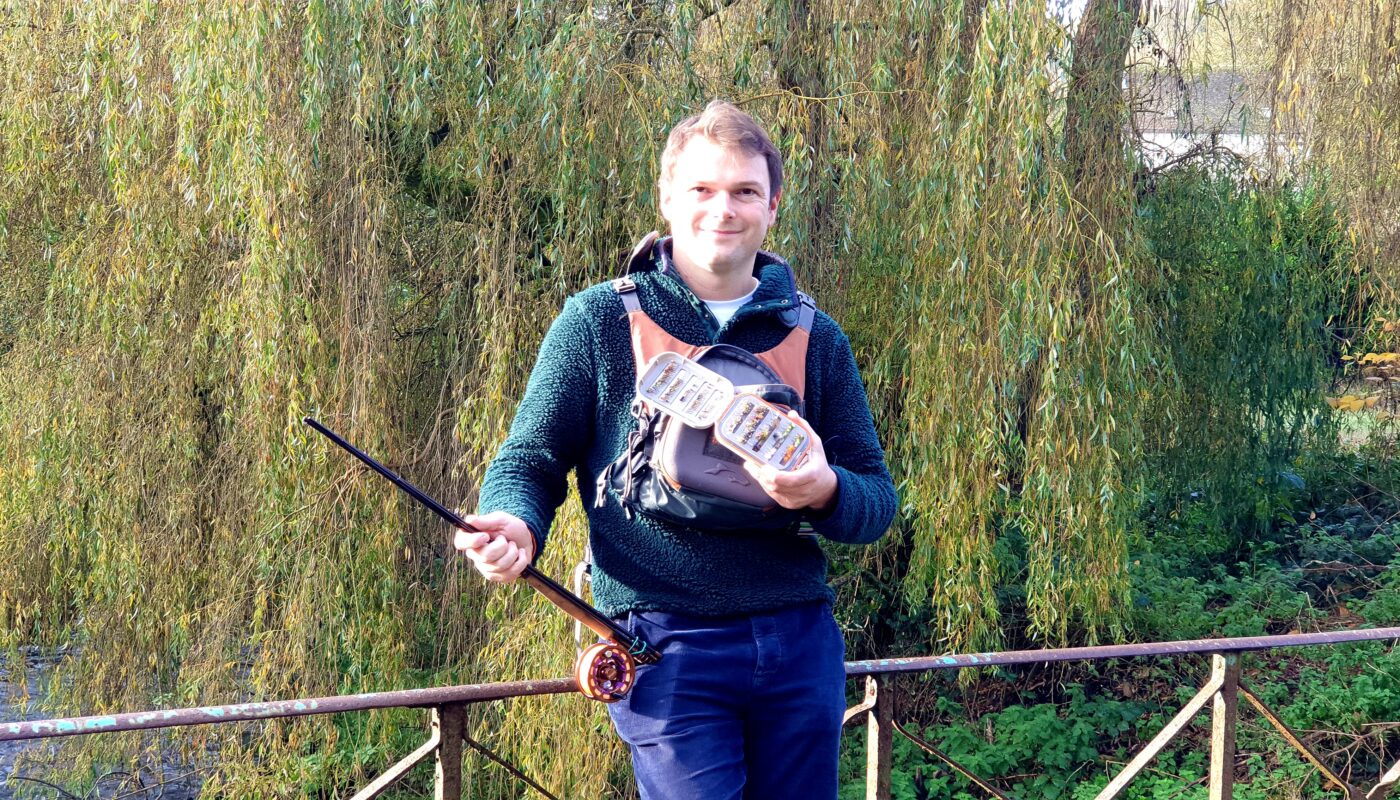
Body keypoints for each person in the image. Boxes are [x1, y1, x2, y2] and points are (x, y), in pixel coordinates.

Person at [455, 100, 896, 799]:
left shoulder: (817, 337)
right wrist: (514, 521)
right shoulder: (598, 320)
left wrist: (824, 491)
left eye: (745, 191)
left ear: (773, 206)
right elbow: (528, 460)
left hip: (798, 642)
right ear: (666, 198)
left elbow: (876, 501)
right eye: (702, 189)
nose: (724, 209)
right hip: (663, 648)